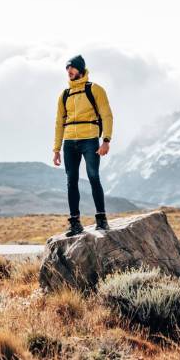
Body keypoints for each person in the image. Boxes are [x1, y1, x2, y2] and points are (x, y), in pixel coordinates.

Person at [52, 55, 113, 236]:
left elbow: (107, 115)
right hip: (69, 142)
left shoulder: (95, 90)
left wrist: (106, 140)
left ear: (81, 69)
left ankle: (101, 220)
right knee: (71, 182)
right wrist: (56, 149)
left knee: (93, 176)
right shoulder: (64, 95)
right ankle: (75, 223)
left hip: (90, 140)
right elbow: (58, 122)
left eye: (72, 68)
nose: (69, 71)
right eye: (67, 68)